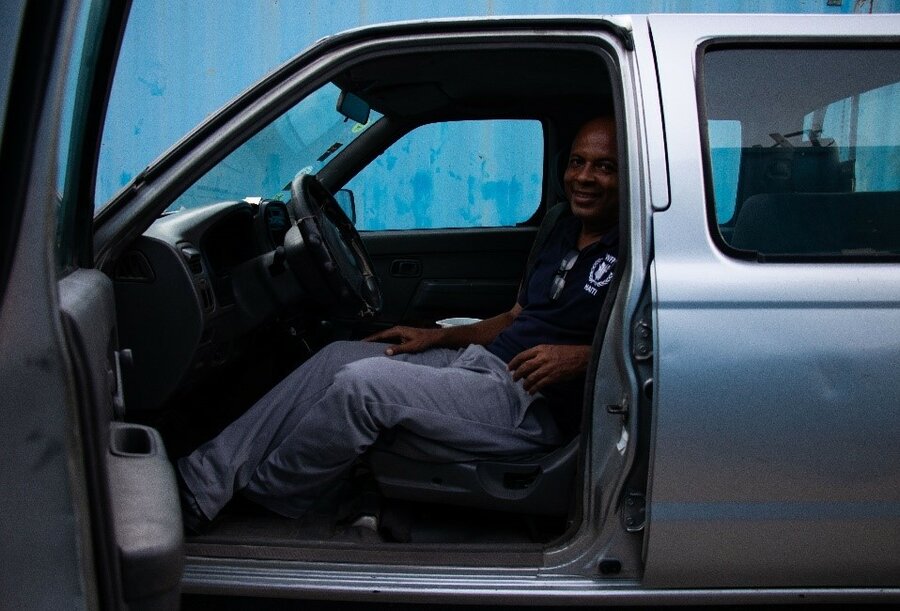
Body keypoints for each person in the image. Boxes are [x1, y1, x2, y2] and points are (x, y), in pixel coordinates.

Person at [177, 116, 620, 530]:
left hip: (530, 403)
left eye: (604, 167)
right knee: (336, 356)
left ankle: (272, 502)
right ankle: (201, 483)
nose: (584, 178)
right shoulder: (563, 227)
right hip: (484, 364)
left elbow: (660, 341)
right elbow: (515, 317)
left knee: (361, 386)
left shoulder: (637, 249)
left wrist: (585, 357)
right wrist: (438, 336)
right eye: (578, 162)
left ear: (628, 177)